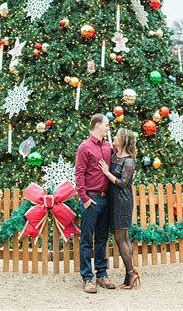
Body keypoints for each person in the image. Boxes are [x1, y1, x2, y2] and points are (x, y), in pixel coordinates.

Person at [75, 113, 116, 294]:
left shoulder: (108, 147)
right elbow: (79, 174)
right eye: (106, 124)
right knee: (86, 240)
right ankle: (87, 278)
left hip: (106, 199)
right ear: (97, 125)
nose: (108, 127)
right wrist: (84, 198)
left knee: (101, 239)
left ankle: (102, 274)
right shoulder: (84, 147)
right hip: (91, 200)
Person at [99, 127, 140, 289]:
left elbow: (123, 183)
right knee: (123, 237)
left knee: (120, 237)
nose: (113, 138)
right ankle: (131, 273)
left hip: (122, 202)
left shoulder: (129, 161)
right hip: (114, 200)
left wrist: (107, 173)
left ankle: (131, 273)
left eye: (116, 136)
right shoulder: (114, 155)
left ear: (123, 140)